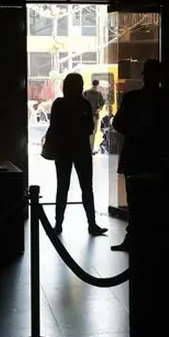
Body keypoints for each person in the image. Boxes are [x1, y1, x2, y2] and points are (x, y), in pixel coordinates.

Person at [110, 59, 167, 252]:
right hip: (159, 158)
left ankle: (133, 238)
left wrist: (135, 131)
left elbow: (117, 124)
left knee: (134, 202)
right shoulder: (167, 99)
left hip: (135, 156)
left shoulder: (132, 98)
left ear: (143, 75)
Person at [46, 73, 108, 236]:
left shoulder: (59, 104)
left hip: (62, 150)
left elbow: (54, 126)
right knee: (87, 188)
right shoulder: (84, 104)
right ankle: (91, 224)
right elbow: (89, 129)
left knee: (62, 187)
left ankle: (58, 224)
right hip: (81, 150)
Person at [84, 78, 106, 151]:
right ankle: (87, 148)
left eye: (95, 86)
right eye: (94, 86)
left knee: (93, 132)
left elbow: (102, 103)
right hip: (87, 115)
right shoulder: (86, 93)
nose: (95, 87)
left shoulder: (98, 94)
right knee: (88, 132)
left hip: (94, 116)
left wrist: (99, 109)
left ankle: (91, 149)